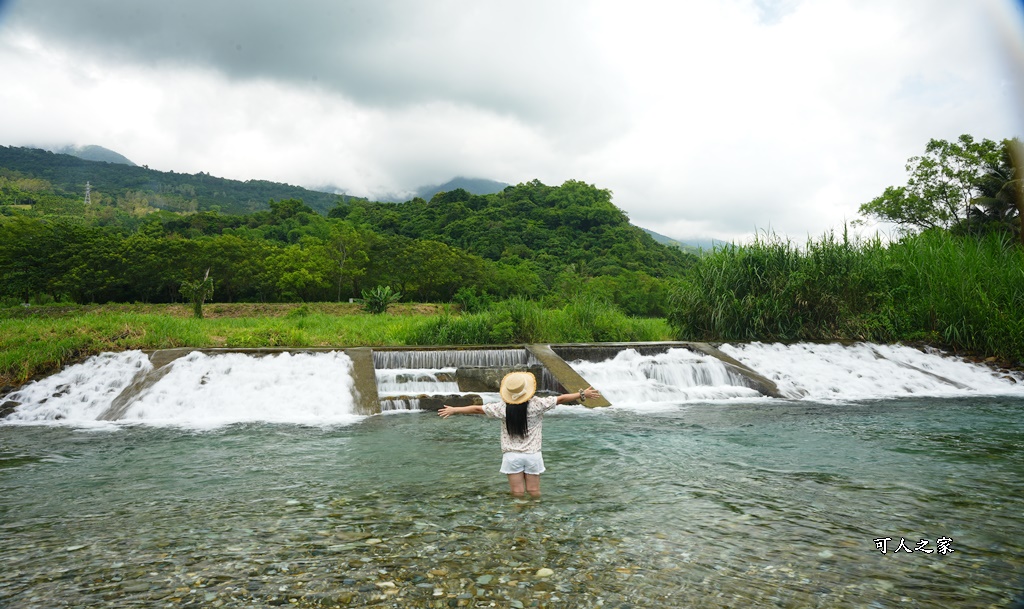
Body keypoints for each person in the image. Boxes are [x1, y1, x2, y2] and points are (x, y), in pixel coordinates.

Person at [438, 371, 602, 498]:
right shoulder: (537, 404)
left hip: (511, 456)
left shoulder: (502, 408)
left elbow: (477, 409)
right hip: (533, 455)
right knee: (534, 491)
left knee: (517, 493)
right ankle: (535, 521)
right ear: (527, 391)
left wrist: (455, 410)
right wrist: (582, 395)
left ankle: (518, 522)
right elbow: (560, 399)